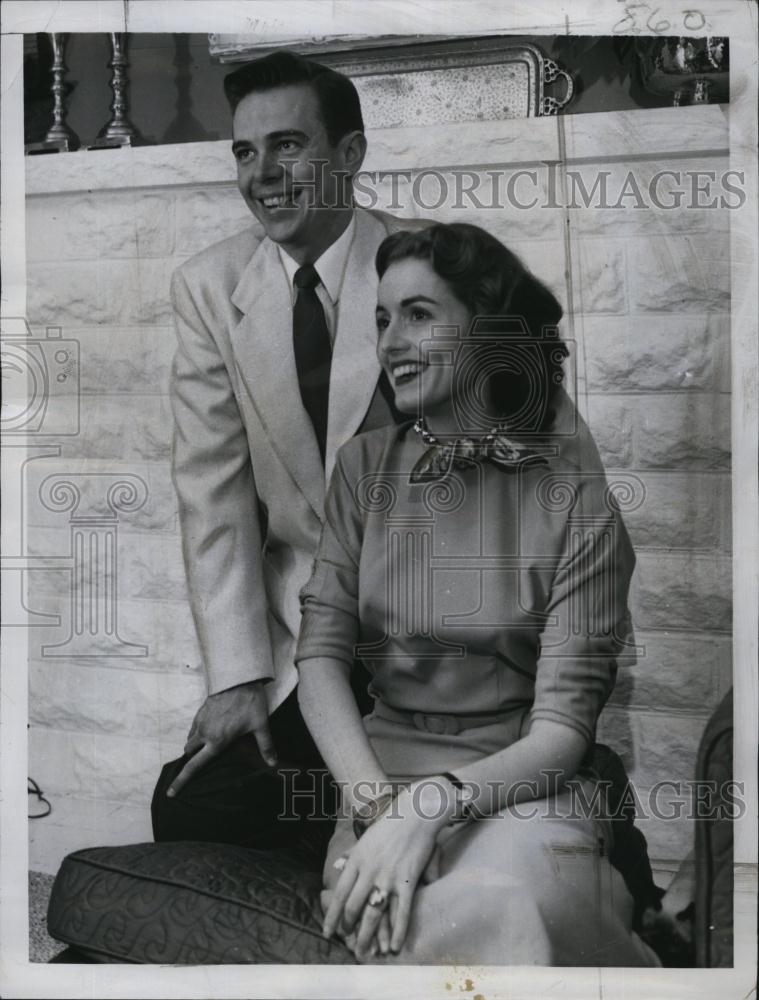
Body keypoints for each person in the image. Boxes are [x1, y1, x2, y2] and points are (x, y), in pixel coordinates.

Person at [295, 222, 661, 965]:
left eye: (419, 314)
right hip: (381, 781)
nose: (391, 340)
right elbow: (319, 660)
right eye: (381, 318)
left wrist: (436, 805)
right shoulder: (362, 467)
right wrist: (380, 810)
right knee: (393, 918)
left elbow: (561, 733)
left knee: (516, 899)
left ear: (488, 331)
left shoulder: (576, 499)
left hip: (519, 783)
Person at [152, 50, 427, 849]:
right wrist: (239, 675)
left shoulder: (436, 266)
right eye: (243, 150)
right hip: (307, 636)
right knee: (190, 807)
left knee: (378, 825)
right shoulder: (208, 285)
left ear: (350, 154)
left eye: (287, 145)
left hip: (435, 631)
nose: (262, 174)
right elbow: (213, 492)